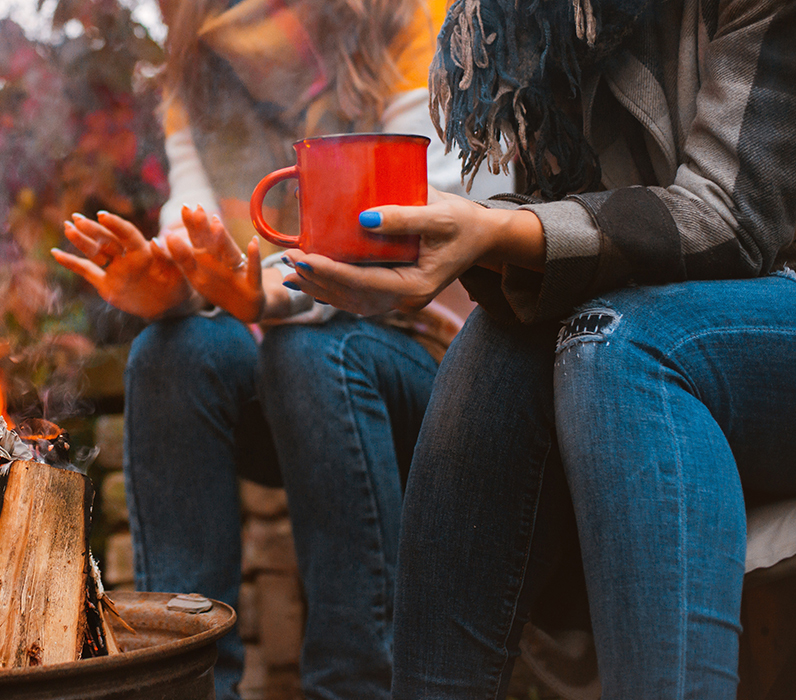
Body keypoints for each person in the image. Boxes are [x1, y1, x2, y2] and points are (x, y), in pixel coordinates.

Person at [271, 0, 796, 695]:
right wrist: (469, 244)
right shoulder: (545, 22)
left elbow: (732, 217)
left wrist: (493, 234)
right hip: (645, 320)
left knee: (618, 344)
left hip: (755, 310)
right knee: (503, 338)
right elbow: (576, 230)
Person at [52, 0, 509, 697]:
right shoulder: (197, 60)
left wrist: (269, 297)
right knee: (171, 350)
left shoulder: (417, 20)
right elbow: (202, 240)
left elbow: (434, 227)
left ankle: (359, 686)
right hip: (293, 376)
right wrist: (171, 289)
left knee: (312, 351)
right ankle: (183, 683)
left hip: (438, 371)